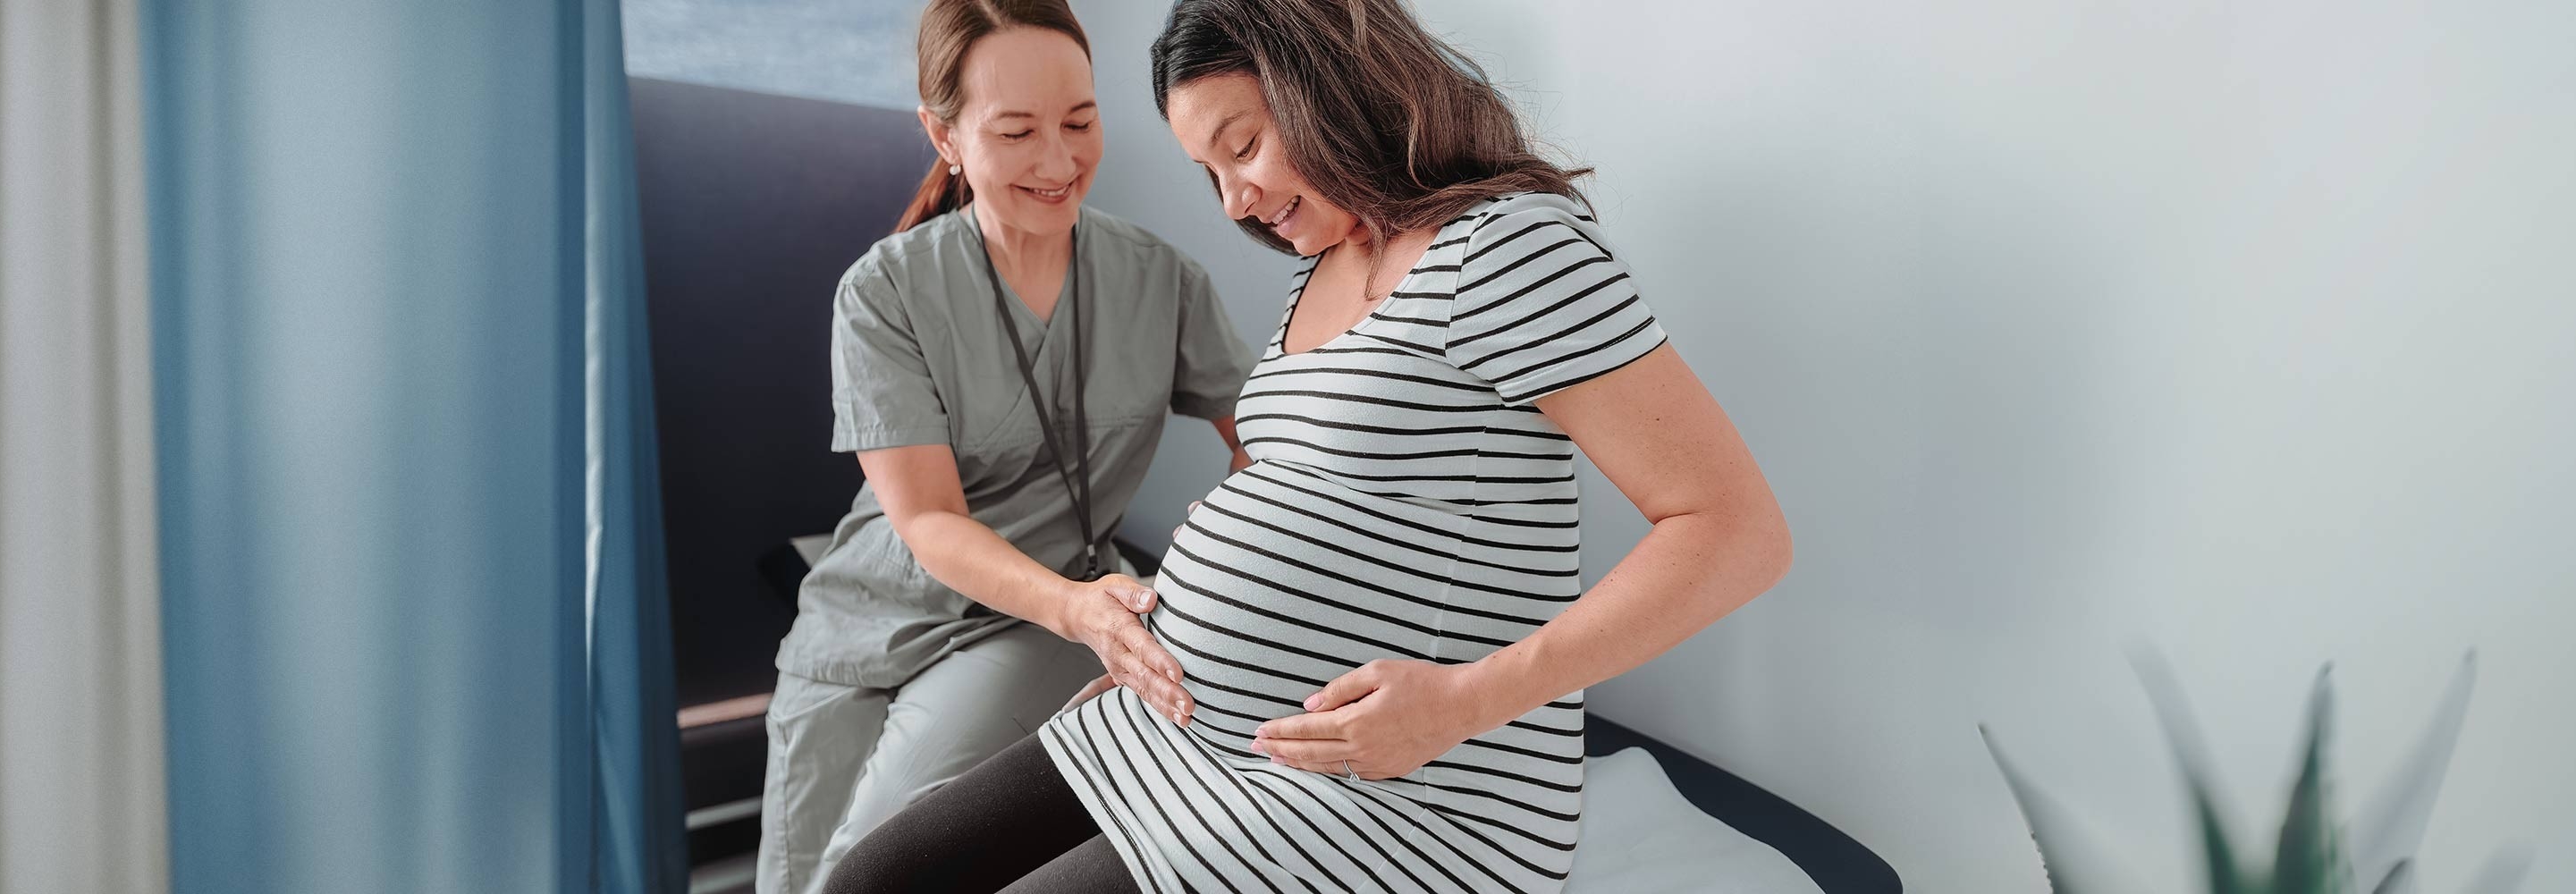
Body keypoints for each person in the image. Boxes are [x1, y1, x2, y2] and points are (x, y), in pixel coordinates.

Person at [817, 0, 1797, 891]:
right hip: (1183, 723)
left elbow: (1735, 531)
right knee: (874, 877)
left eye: (1241, 147)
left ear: (1324, 85)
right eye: (1209, 172)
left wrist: (1464, 700)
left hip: (1397, 791)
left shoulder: (1507, 250)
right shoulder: (1321, 269)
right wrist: (1187, 635)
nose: (1233, 201)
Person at [754, 2, 1257, 891]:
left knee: (863, 876)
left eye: (1080, 120)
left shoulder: (1161, 281)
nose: (1060, 162)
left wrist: (1214, 581)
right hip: (853, 631)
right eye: (1018, 131)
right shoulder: (886, 292)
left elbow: (1267, 449)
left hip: (1035, 614)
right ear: (943, 135)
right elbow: (929, 522)